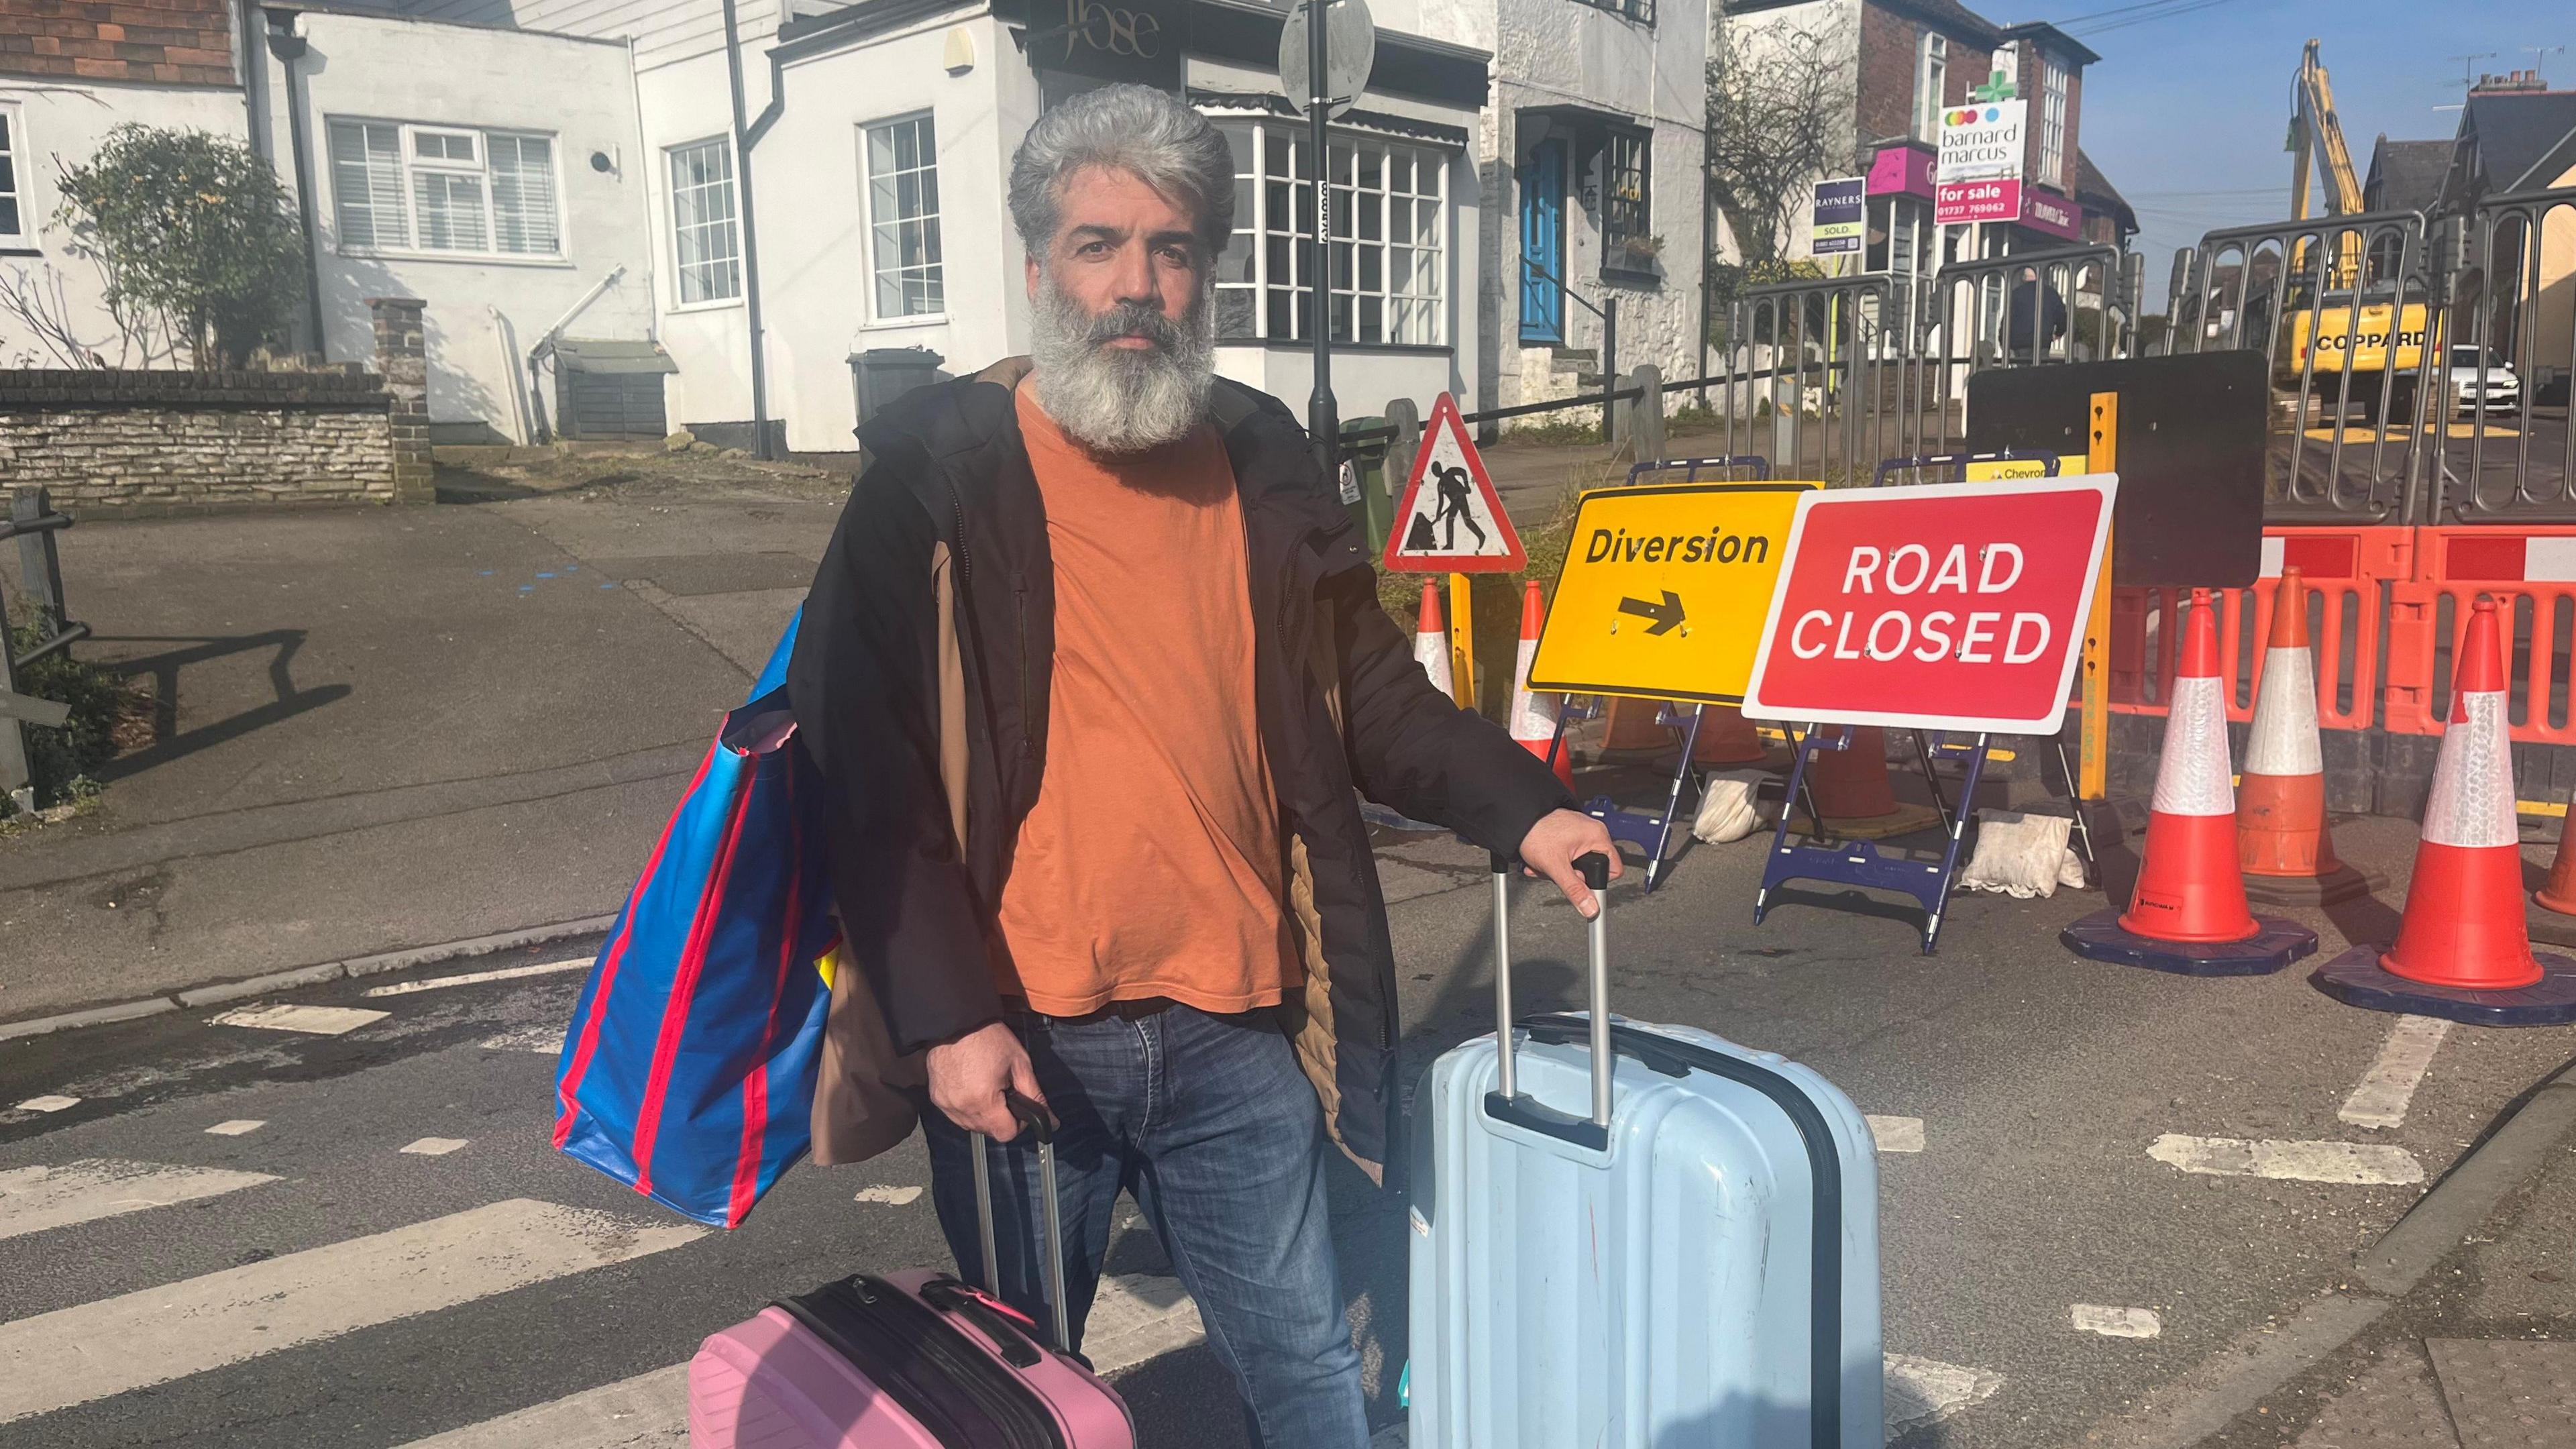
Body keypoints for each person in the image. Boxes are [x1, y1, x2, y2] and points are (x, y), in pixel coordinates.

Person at [786, 83, 1615, 1447]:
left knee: (1308, 1367)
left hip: (1236, 1031)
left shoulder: (1261, 455)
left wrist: (1524, 809)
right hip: (1020, 1032)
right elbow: (867, 775)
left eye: (1172, 250)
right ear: (1041, 260)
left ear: (1207, 271)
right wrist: (944, 1018)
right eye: (1100, 244)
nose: (1137, 285)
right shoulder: (937, 470)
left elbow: (1365, 695)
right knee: (1015, 1397)